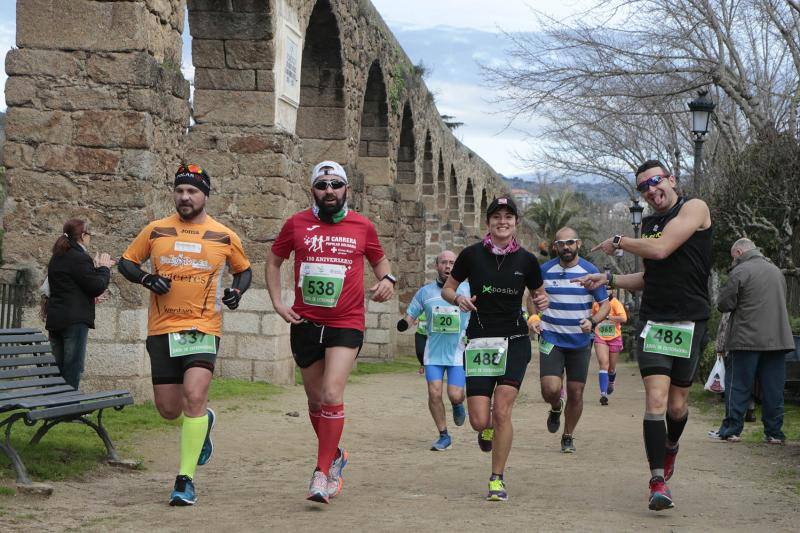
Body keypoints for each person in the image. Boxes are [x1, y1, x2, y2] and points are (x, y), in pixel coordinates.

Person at [573, 160, 712, 511]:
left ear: (671, 179)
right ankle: (657, 481)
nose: (650, 190)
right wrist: (609, 280)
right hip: (654, 320)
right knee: (655, 399)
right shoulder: (648, 224)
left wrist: (620, 242)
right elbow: (648, 277)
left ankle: (671, 447)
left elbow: (663, 248)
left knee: (677, 406)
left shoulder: (695, 208)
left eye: (654, 181)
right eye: (643, 187)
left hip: (689, 321)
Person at [118, 164, 252, 506]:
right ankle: (204, 421)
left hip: (203, 328)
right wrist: (146, 279)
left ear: (205, 195)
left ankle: (184, 479)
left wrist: (237, 293)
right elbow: (127, 263)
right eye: (180, 191)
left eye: (192, 191)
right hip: (162, 329)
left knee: (194, 395)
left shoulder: (223, 235)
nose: (185, 197)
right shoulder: (156, 230)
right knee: (168, 409)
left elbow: (244, 270)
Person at [266, 161, 395, 504]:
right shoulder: (296, 224)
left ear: (346, 189)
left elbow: (381, 263)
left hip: (346, 323)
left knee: (331, 394)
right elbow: (274, 260)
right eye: (322, 185)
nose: (329, 191)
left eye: (336, 184)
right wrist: (278, 302)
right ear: (313, 190)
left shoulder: (362, 226)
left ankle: (321, 474)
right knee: (314, 400)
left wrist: (387, 281)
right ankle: (336, 454)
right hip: (305, 324)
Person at [442, 196, 548, 502]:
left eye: (509, 217)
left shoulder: (527, 260)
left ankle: (497, 478)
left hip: (514, 340)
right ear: (488, 222)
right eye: (497, 217)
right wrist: (457, 299)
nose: (503, 221)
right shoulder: (471, 255)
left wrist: (542, 303)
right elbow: (449, 288)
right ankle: (484, 430)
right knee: (480, 419)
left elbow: (541, 296)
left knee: (502, 409)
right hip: (479, 341)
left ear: (516, 222)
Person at [529, 227, 609, 453]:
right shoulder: (544, 270)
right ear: (555, 246)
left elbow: (605, 305)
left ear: (579, 244)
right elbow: (531, 297)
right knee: (550, 389)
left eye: (570, 242)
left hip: (579, 341)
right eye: (561, 243)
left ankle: (568, 435)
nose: (566, 247)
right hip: (551, 338)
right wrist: (534, 316)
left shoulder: (589, 271)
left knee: (575, 392)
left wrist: (592, 322)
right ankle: (555, 407)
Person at [710, 238, 794, 444]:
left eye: (733, 258)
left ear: (738, 252)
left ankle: (731, 429)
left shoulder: (741, 271)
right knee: (773, 388)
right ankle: (774, 433)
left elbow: (724, 304)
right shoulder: (776, 271)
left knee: (738, 385)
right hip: (778, 339)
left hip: (746, 339)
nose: (733, 261)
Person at [398, 251, 469, 451]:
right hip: (434, 353)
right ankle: (444, 435)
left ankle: (457, 405)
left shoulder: (466, 288)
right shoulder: (425, 292)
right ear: (436, 265)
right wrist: (404, 324)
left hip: (457, 352)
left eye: (452, 263)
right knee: (434, 393)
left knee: (455, 395)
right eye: (444, 262)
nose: (448, 266)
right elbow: (411, 314)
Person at [44, 218, 114, 389]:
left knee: (57, 367)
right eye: (89, 234)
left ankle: (52, 407)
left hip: (56, 319)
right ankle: (67, 408)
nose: (90, 238)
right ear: (83, 236)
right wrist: (104, 268)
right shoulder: (79, 258)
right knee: (72, 367)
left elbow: (69, 288)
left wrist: (91, 294)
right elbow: (96, 286)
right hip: (74, 322)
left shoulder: (58, 257)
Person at [592, 294, 628, 404]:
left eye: (608, 288)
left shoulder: (616, 303)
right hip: (600, 337)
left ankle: (611, 382)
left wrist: (607, 316)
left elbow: (624, 318)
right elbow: (593, 317)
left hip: (614, 337)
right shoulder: (596, 304)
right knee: (603, 363)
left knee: (611, 369)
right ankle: (603, 394)